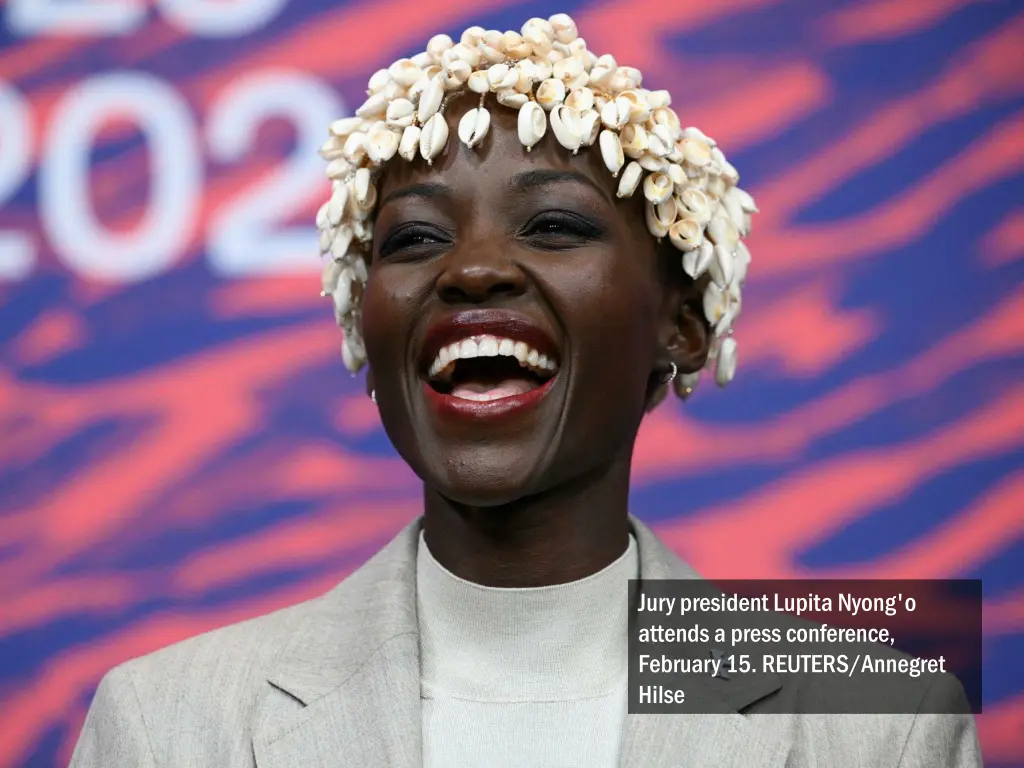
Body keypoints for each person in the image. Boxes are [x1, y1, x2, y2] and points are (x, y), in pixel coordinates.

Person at [70, 13, 981, 768]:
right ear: (363, 325)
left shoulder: (881, 723)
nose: (471, 271)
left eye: (552, 225)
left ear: (684, 325)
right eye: (415, 239)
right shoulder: (166, 724)